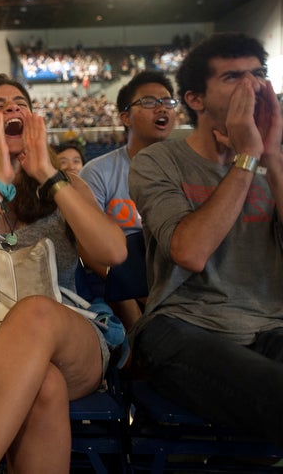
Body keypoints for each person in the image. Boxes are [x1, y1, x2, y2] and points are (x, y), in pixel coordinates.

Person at [0, 73, 126, 473]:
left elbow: (114, 252)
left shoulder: (67, 184)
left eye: (21, 103)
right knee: (44, 386)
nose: (12, 108)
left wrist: (48, 177)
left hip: (67, 333)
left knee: (35, 312)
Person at [128, 32, 283, 445]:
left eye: (259, 74)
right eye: (234, 77)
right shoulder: (158, 160)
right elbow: (189, 252)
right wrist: (247, 160)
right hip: (184, 327)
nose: (253, 87)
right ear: (195, 100)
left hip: (270, 326)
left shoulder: (274, 161)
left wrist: (271, 158)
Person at [79, 70, 176, 330]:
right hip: (119, 284)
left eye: (168, 102)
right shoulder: (98, 172)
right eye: (148, 102)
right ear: (126, 117)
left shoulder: (187, 172)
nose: (161, 108)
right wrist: (130, 295)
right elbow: (84, 245)